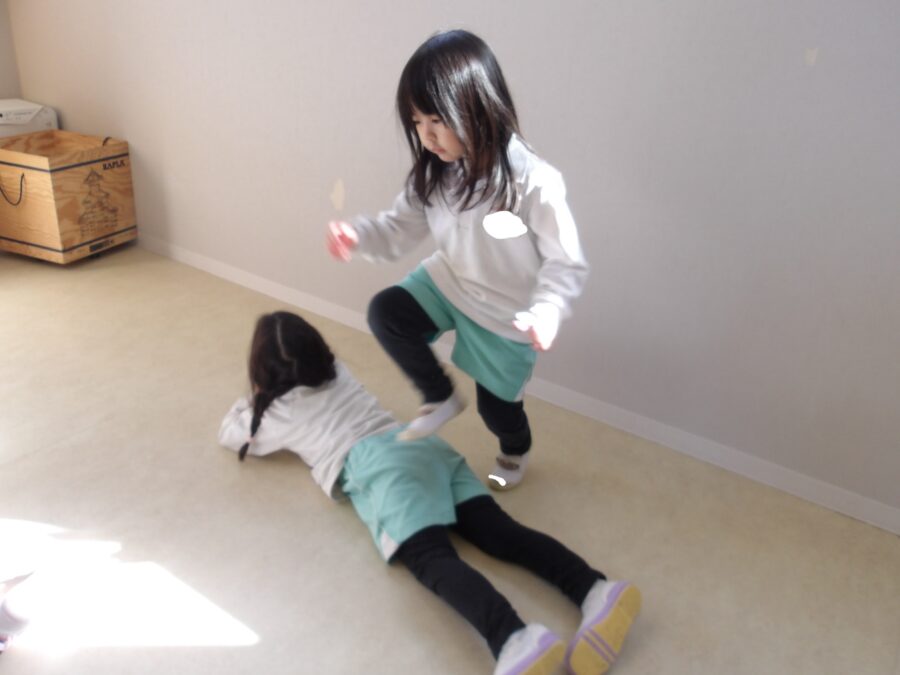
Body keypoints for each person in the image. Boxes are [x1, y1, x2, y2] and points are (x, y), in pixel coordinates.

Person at [218, 311, 639, 675]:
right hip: (420, 443)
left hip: (379, 468)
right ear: (317, 349)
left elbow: (230, 433)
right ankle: (593, 589)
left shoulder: (275, 414)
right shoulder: (338, 372)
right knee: (501, 533)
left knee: (431, 559)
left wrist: (255, 399)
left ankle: (513, 637)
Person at [326, 29, 589, 491]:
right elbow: (397, 229)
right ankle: (439, 395)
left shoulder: (534, 181)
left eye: (436, 120)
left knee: (498, 410)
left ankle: (514, 451)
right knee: (386, 312)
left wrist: (547, 310)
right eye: (416, 122)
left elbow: (564, 261)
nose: (426, 136)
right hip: (450, 281)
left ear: (477, 107)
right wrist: (359, 235)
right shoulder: (436, 172)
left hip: (509, 313)